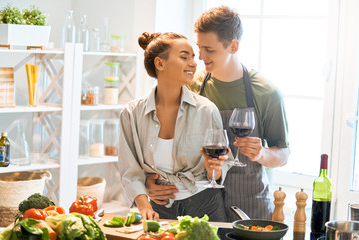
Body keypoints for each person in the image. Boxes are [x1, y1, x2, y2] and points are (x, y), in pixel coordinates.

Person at [145, 5, 290, 222]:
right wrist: (150, 180)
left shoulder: (266, 93)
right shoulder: (189, 86)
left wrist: (261, 154)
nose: (200, 56)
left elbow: (283, 155)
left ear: (233, 46)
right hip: (197, 206)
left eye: (209, 50)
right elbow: (163, 144)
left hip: (248, 206)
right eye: (199, 48)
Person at [117, 31, 230, 221]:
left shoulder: (206, 110)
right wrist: (144, 207)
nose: (194, 63)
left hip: (206, 207)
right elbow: (130, 170)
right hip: (159, 209)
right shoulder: (131, 113)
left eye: (193, 57)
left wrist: (214, 169)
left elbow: (220, 168)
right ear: (160, 64)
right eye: (184, 57)